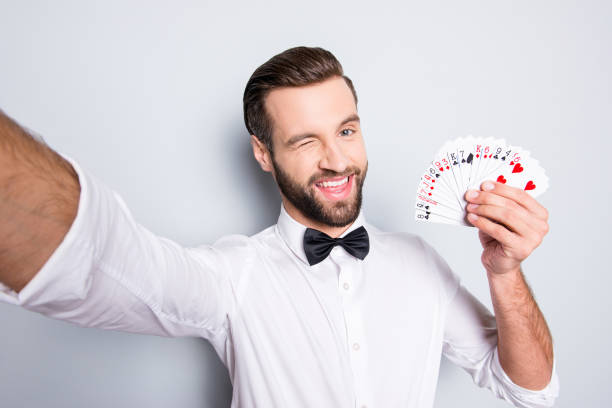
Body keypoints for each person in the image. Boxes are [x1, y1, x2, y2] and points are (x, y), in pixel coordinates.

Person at [0, 46, 558, 407]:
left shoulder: (420, 263)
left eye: (346, 131)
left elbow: (528, 389)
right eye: (304, 141)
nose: (337, 161)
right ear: (263, 154)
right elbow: (107, 267)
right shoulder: (233, 275)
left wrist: (504, 271)